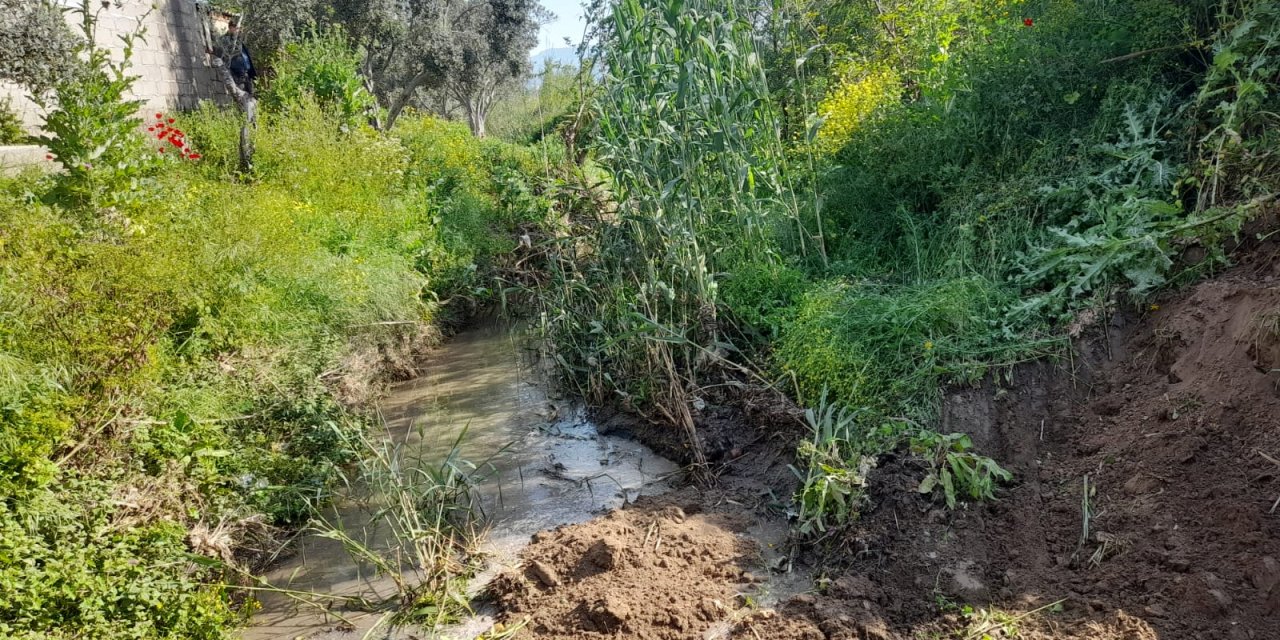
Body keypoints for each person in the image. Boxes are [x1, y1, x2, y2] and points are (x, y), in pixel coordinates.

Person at [211, 22, 255, 95]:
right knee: (242, 94)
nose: (238, 30)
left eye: (238, 28)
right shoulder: (224, 39)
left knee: (251, 95)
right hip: (237, 72)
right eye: (236, 28)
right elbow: (223, 53)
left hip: (247, 72)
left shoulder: (239, 40)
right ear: (231, 28)